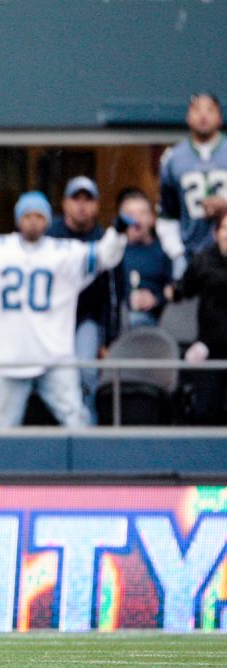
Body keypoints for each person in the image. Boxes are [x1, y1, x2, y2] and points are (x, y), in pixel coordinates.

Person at [0, 191, 126, 429]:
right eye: (27, 215)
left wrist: (117, 232)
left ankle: (89, 467)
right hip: (8, 358)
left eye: (39, 215)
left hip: (53, 356)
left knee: (76, 420)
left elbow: (103, 255)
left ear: (47, 221)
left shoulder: (64, 253)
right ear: (18, 219)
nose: (32, 220)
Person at [48, 176, 124, 425]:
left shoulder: (104, 240)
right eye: (76, 199)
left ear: (97, 205)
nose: (82, 205)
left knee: (85, 372)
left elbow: (114, 294)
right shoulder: (51, 236)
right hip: (52, 320)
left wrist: (109, 339)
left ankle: (86, 436)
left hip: (87, 318)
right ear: (64, 203)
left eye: (88, 199)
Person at [159, 93, 227, 259]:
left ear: (220, 117)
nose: (203, 115)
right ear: (188, 117)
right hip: (191, 253)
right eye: (197, 109)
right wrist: (177, 253)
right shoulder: (172, 158)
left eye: (210, 110)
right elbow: (167, 214)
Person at [174, 214, 227, 424]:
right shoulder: (204, 260)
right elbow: (181, 290)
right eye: (224, 228)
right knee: (205, 412)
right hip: (209, 349)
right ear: (216, 233)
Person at [117, 190, 175, 328]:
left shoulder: (164, 250)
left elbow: (174, 290)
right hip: (121, 319)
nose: (136, 220)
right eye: (130, 215)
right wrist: (128, 299)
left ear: (152, 218)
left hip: (158, 319)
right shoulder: (114, 251)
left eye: (142, 214)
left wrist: (155, 299)